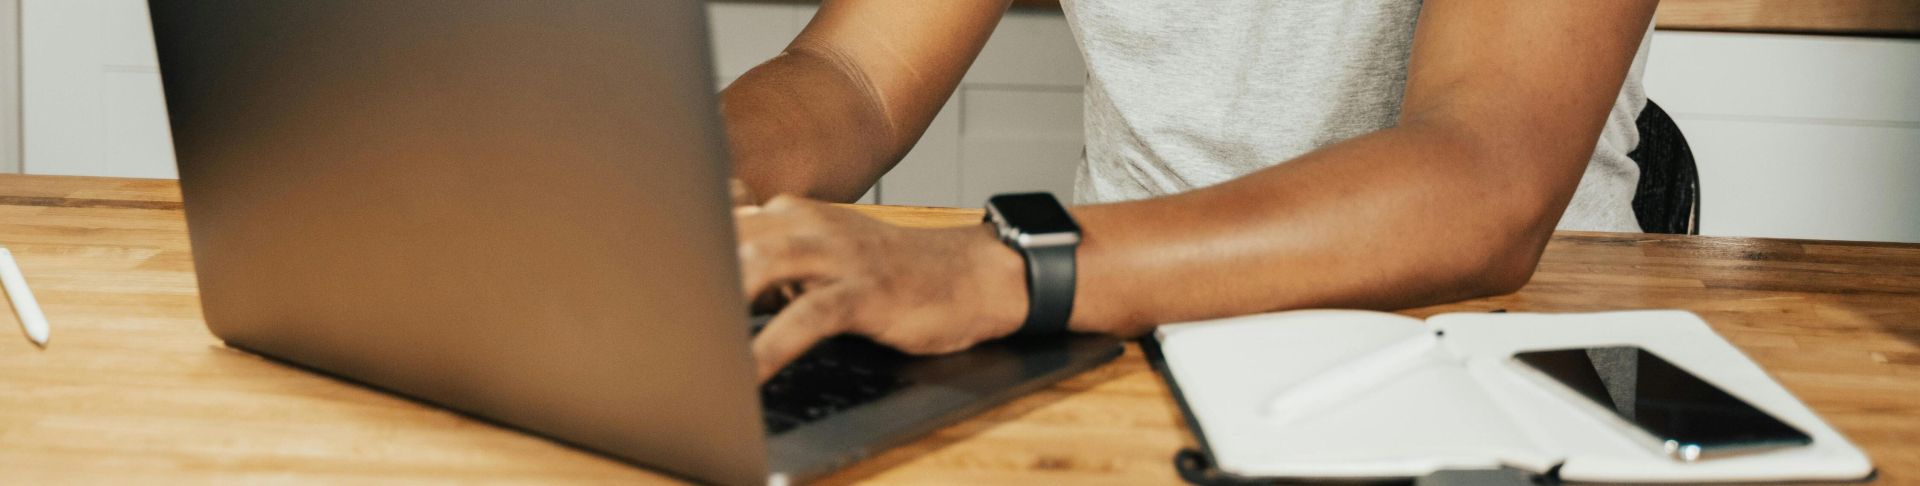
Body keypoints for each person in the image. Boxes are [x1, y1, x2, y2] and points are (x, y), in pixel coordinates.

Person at [722, 0, 1660, 380]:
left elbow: (1485, 177)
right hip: (1120, 347)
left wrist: (995, 269)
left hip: (1491, 362)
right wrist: (681, 174)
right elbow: (851, 73)